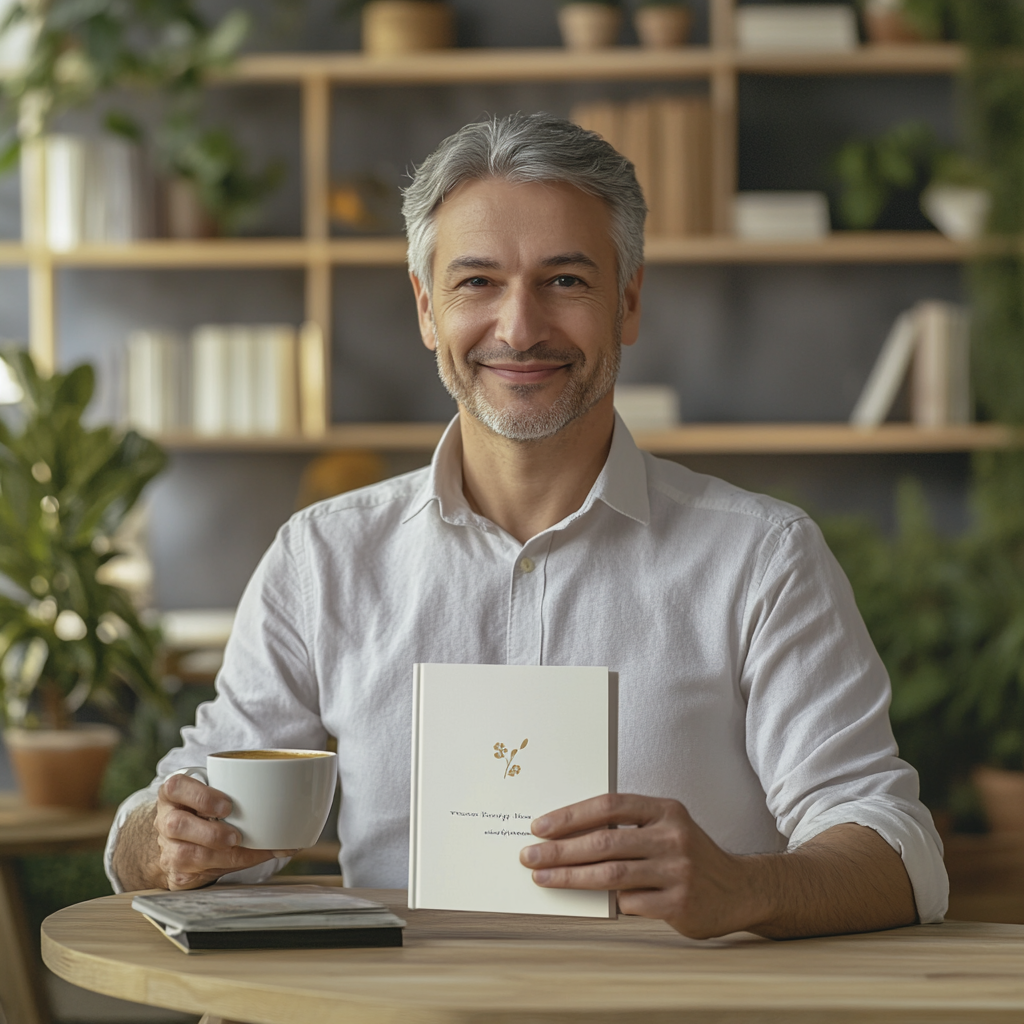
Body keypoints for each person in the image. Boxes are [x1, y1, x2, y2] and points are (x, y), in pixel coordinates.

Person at [106, 113, 947, 940]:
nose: (519, 328)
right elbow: (188, 819)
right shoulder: (322, 556)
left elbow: (898, 852)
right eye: (477, 282)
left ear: (628, 301)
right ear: (427, 310)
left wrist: (744, 888)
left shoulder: (762, 559)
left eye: (566, 280)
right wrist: (168, 840)